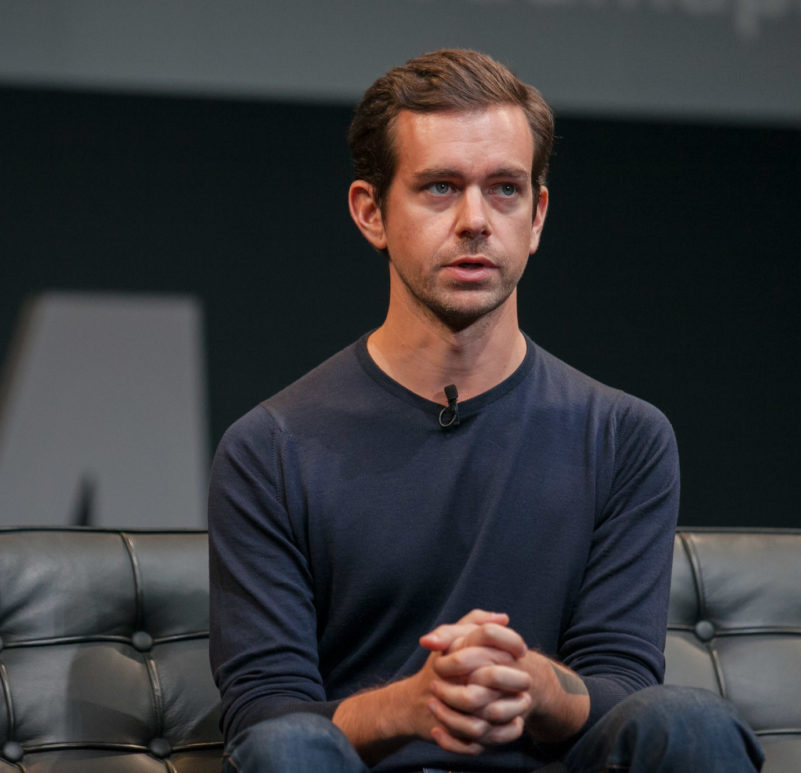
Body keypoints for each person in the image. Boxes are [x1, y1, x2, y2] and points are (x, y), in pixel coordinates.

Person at [207, 49, 763, 772]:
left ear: (536, 216)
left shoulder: (626, 436)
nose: (475, 220)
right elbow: (265, 714)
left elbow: (620, 682)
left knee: (688, 722)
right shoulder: (269, 447)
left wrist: (530, 682)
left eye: (503, 189)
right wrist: (413, 702)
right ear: (371, 212)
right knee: (286, 747)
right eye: (440, 188)